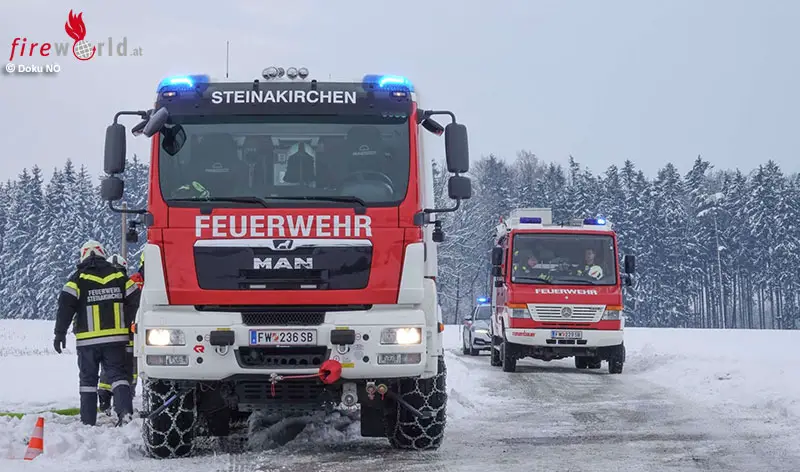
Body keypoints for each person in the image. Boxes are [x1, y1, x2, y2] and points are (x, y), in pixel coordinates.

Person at [53, 241, 141, 426]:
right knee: (118, 377)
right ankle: (125, 416)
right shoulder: (118, 275)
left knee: (87, 382)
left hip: (87, 342)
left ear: (83, 256)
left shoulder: (78, 278)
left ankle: (88, 423)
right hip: (116, 339)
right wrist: (129, 322)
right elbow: (136, 299)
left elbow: (65, 306)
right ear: (103, 254)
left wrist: (59, 333)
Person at [98, 254, 139, 414]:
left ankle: (104, 398)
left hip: (108, 337)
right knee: (129, 371)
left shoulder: (100, 286)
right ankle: (124, 400)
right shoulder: (129, 286)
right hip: (128, 337)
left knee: (108, 368)